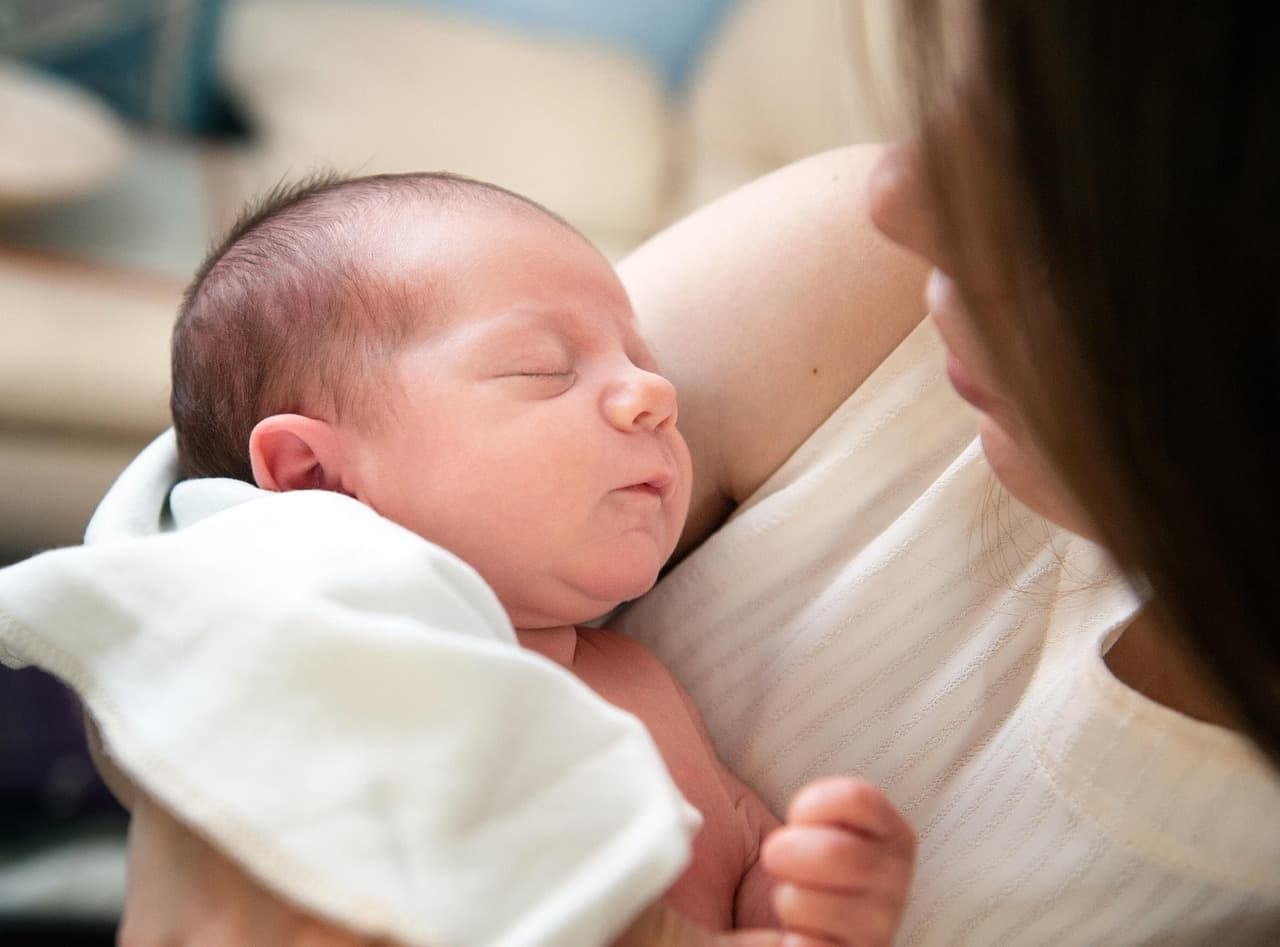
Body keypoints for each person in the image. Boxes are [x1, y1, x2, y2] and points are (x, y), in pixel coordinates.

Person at [86, 1, 1280, 943]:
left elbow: (737, 877)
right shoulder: (863, 295)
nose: (896, 192)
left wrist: (801, 895)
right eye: (545, 369)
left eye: (1051, 149)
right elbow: (176, 562)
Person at [165, 169, 916, 945]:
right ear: (316, 477)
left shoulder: (639, 681)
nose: (652, 392)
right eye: (544, 369)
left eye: (641, 357)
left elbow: (740, 855)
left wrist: (805, 893)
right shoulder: (351, 698)